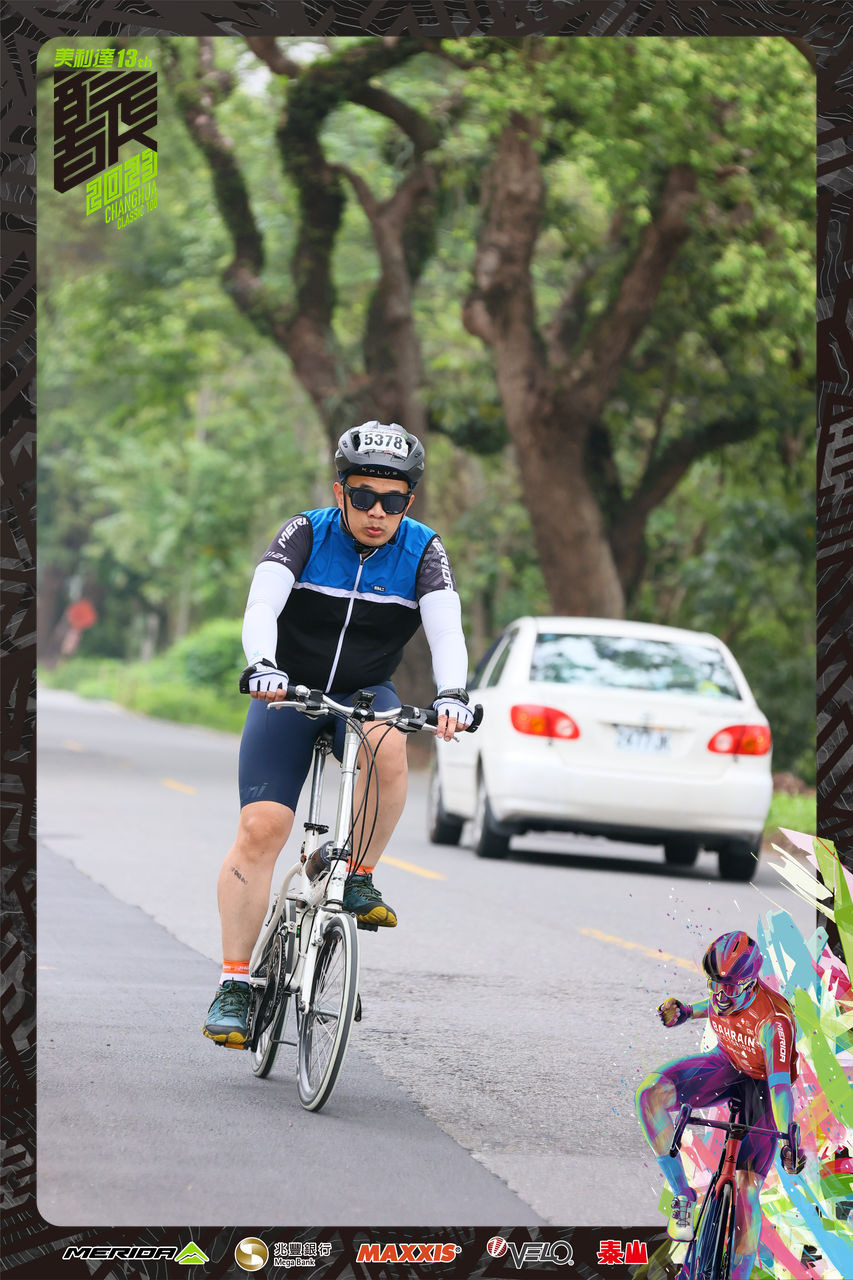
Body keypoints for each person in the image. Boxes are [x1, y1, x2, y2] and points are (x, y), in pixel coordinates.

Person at [203, 422, 473, 1049]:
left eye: (393, 501)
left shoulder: (424, 550)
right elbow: (262, 605)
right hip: (288, 692)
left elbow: (446, 630)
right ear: (340, 492)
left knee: (389, 741)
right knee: (261, 829)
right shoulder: (306, 532)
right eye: (364, 496)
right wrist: (263, 665)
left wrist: (453, 694)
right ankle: (234, 983)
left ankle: (358, 873)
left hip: (363, 693)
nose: (378, 512)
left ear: (409, 501)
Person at [635, 931, 806, 1280]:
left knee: (746, 1190)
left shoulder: (774, 1022)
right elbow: (712, 1006)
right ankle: (683, 1196)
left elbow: (779, 1087)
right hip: (726, 1064)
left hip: (763, 1087)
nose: (720, 995)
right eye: (714, 984)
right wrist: (686, 1013)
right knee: (649, 1095)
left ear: (751, 983)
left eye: (729, 987)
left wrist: (789, 1138)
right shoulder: (725, 992)